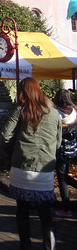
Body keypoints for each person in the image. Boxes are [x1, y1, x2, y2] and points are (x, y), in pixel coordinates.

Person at [1, 77, 62, 250]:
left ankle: (25, 245)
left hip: (21, 167)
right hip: (45, 169)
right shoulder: (54, 113)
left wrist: (9, 150)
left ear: (22, 92)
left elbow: (6, 136)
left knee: (22, 212)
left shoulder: (20, 110)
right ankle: (49, 246)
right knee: (45, 214)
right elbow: (57, 142)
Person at [53, 88, 77, 217]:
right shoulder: (74, 111)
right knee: (65, 175)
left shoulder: (56, 113)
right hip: (72, 148)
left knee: (62, 177)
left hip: (60, 149)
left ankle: (66, 207)